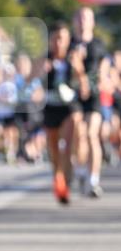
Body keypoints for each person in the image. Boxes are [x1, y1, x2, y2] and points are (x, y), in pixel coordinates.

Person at [40, 22, 88, 204]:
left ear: (68, 40)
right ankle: (58, 179)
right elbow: (31, 80)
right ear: (51, 41)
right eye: (55, 39)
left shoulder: (73, 57)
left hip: (69, 105)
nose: (59, 43)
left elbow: (82, 84)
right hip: (51, 106)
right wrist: (40, 72)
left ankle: (67, 182)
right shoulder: (45, 59)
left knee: (66, 146)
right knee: (53, 149)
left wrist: (78, 70)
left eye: (63, 39)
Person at [71, 7, 110, 197]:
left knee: (92, 134)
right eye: (79, 17)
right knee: (79, 133)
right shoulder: (69, 43)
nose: (83, 21)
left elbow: (104, 67)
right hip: (74, 94)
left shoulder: (98, 44)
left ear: (92, 22)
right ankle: (80, 168)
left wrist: (103, 82)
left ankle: (94, 179)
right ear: (74, 21)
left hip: (94, 94)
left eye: (86, 17)